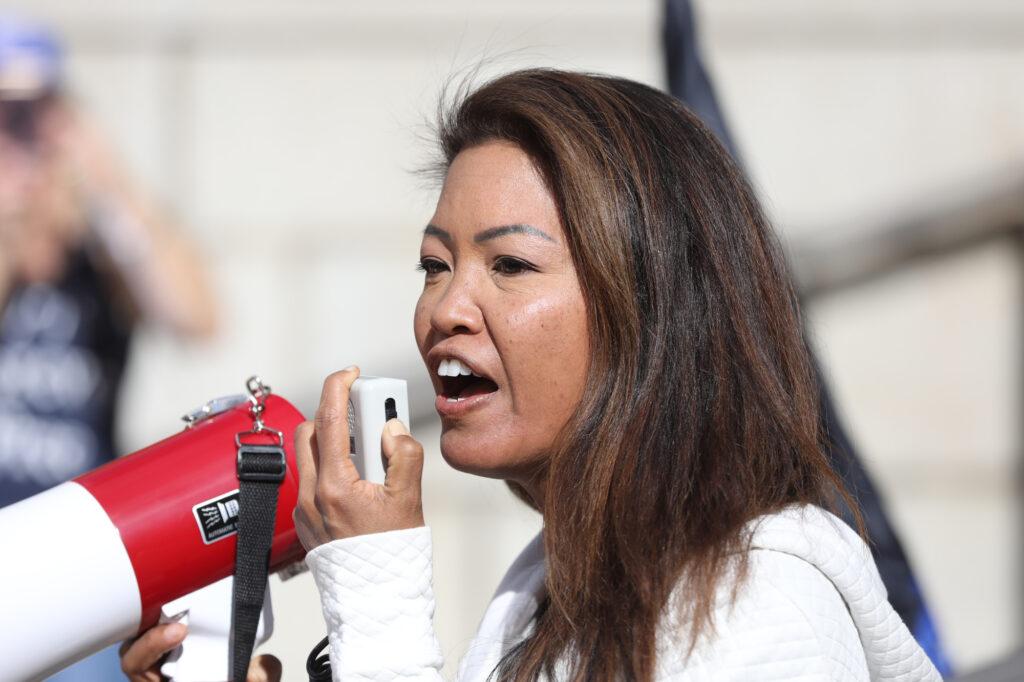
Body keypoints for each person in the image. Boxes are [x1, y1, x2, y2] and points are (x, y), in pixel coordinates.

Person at [123, 70, 940, 681]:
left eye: (509, 264)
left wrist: (376, 598)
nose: (446, 308)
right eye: (433, 266)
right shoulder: (550, 591)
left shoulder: (763, 598)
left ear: (654, 308)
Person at [0, 15, 216, 681]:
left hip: (77, 554)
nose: (21, 142)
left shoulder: (99, 260)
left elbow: (196, 315)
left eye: (34, 118)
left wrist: (112, 191)